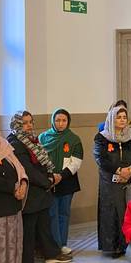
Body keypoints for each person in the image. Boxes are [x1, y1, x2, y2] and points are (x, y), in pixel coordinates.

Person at [8, 111, 71, 263]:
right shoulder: (15, 142)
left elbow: (42, 163)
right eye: (25, 123)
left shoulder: (32, 140)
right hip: (30, 190)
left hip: (41, 190)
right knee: (29, 228)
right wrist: (46, 181)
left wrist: (49, 177)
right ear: (17, 125)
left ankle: (51, 254)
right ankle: (26, 262)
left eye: (31, 122)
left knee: (44, 224)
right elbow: (26, 168)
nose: (29, 126)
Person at [94, 105, 131, 258]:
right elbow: (100, 159)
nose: (122, 120)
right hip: (110, 181)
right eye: (118, 117)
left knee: (129, 211)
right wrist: (119, 171)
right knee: (112, 212)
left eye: (124, 117)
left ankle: (129, 244)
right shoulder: (102, 137)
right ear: (111, 118)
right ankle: (113, 247)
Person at [0, 112, 28, 263]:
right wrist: (12, 187)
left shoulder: (3, 143)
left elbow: (18, 167)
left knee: (12, 238)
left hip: (12, 202)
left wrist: (22, 182)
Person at [39, 108, 83, 253]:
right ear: (53, 121)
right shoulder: (43, 137)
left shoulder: (74, 139)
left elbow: (76, 162)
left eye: (64, 120)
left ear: (68, 122)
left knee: (64, 213)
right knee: (52, 213)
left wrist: (61, 176)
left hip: (67, 181)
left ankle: (62, 244)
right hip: (48, 181)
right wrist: (51, 176)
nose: (61, 123)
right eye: (57, 120)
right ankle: (54, 245)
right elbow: (38, 159)